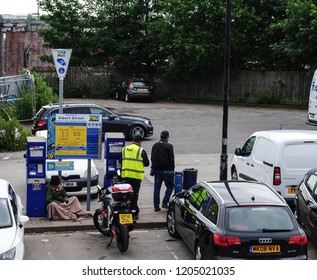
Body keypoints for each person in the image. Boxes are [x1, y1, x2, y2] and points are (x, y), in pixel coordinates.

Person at [121, 135, 149, 220]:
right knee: (134, 195)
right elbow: (146, 163)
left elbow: (120, 160)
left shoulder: (124, 149)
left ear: (132, 140)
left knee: (125, 195)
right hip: (136, 178)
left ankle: (127, 210)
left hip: (125, 176)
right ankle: (133, 212)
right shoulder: (141, 150)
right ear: (140, 142)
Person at [150, 130, 175, 212]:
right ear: (167, 138)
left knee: (157, 188)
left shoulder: (155, 145)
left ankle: (156, 206)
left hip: (157, 170)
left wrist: (153, 168)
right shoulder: (169, 146)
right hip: (167, 170)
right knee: (170, 187)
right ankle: (165, 202)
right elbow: (171, 159)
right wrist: (172, 169)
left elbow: (152, 158)